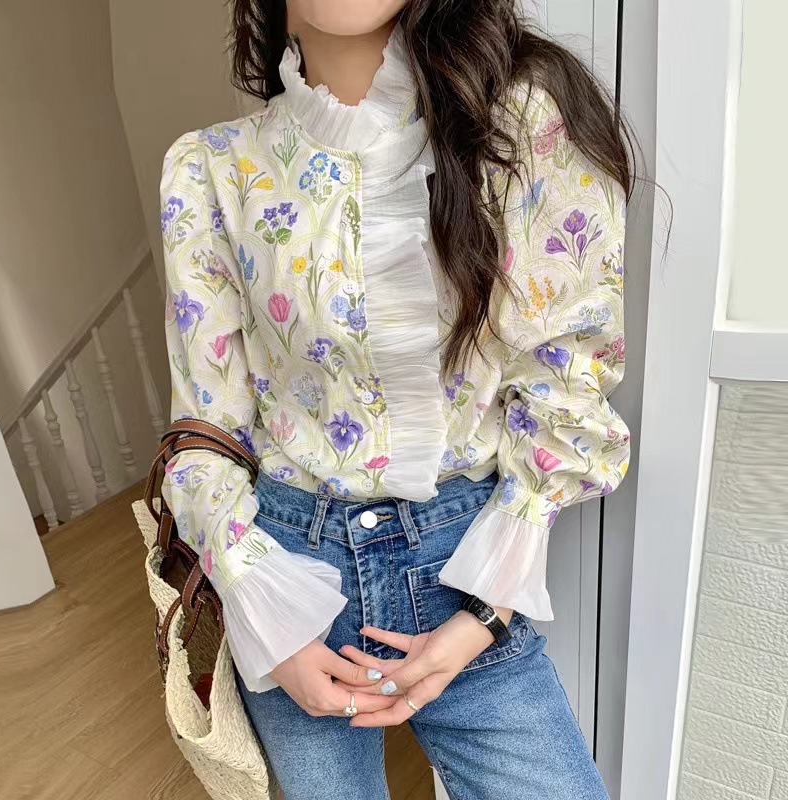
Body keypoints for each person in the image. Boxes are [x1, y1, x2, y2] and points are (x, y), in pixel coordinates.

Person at [158, 1, 632, 797]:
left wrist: (486, 614)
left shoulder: (524, 128)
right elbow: (206, 424)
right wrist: (259, 601)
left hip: (462, 568)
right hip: (287, 572)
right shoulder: (211, 167)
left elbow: (567, 377)